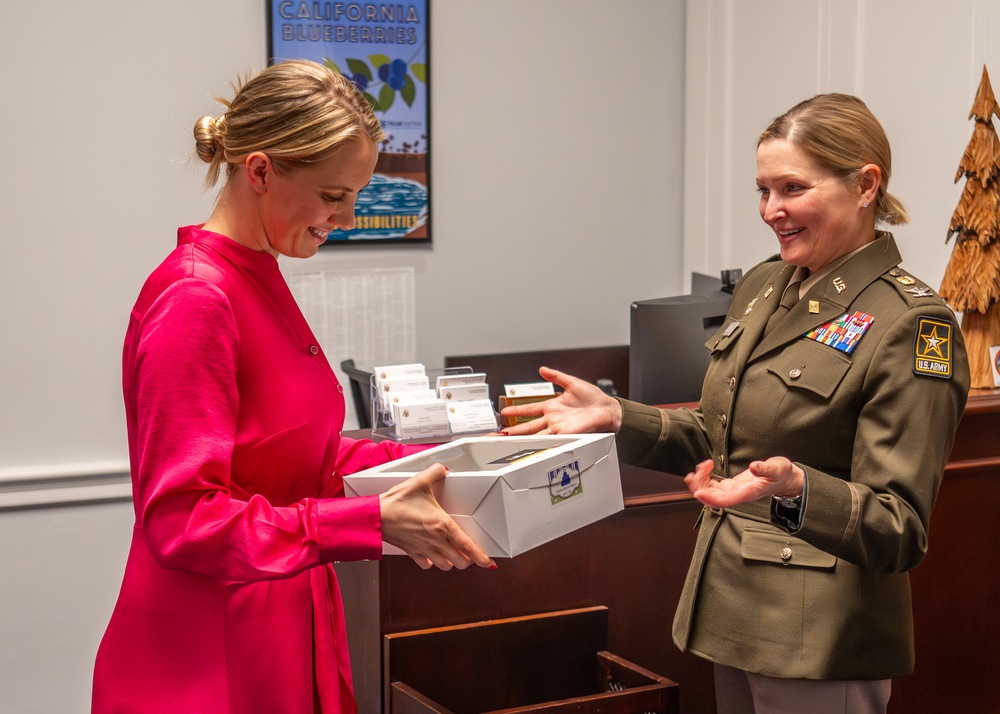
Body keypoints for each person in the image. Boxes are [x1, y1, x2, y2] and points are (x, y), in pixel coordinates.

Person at [501, 93, 970, 713]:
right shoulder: (766, 283)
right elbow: (721, 436)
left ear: (865, 185)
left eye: (792, 188)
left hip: (819, 636)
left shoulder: (912, 324)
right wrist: (618, 417)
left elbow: (897, 526)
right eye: (762, 190)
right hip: (735, 609)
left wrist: (797, 487)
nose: (771, 211)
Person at [92, 60, 495, 714]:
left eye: (357, 195)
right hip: (209, 648)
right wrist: (365, 519)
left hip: (280, 615)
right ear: (258, 172)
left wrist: (463, 453)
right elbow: (182, 519)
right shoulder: (197, 298)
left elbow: (299, 456)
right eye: (334, 196)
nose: (348, 215)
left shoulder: (257, 275)